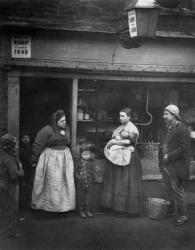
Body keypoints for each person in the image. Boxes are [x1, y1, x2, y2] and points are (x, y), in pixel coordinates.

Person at [31, 110, 76, 212]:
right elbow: (38, 145)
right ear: (55, 122)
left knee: (65, 182)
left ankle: (63, 207)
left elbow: (68, 141)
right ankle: (50, 208)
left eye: (65, 120)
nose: (64, 123)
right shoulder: (46, 130)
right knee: (52, 182)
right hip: (51, 158)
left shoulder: (67, 128)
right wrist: (34, 159)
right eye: (61, 121)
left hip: (64, 158)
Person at [101, 107, 143, 216]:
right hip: (118, 155)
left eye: (123, 116)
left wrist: (111, 143)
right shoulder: (121, 127)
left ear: (129, 117)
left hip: (128, 156)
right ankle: (117, 207)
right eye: (120, 116)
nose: (121, 118)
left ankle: (127, 209)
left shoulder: (132, 128)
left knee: (126, 181)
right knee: (118, 181)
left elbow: (128, 141)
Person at [158, 104, 190, 226]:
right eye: (164, 114)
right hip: (166, 165)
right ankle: (172, 210)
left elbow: (183, 149)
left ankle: (183, 215)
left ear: (174, 115)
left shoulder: (182, 129)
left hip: (176, 166)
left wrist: (169, 156)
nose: (164, 116)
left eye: (166, 114)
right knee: (167, 189)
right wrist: (162, 160)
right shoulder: (168, 128)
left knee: (178, 190)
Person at [0, 134, 24, 238]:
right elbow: (14, 174)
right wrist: (21, 172)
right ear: (12, 146)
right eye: (16, 144)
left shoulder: (3, 155)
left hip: (4, 184)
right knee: (11, 208)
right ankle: (10, 232)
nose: (17, 146)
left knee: (5, 208)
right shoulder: (9, 159)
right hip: (9, 185)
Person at [74, 147, 95, 219]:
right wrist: (77, 176)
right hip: (80, 181)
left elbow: (93, 171)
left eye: (87, 154)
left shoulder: (91, 162)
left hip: (88, 180)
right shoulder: (77, 162)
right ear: (80, 154)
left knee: (88, 195)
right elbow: (75, 171)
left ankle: (87, 210)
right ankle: (81, 210)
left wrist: (90, 175)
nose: (86, 156)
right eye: (84, 154)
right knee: (80, 195)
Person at [19, 133, 32, 208]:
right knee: (23, 185)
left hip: (29, 168)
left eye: (28, 137)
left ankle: (26, 201)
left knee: (28, 185)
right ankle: (22, 203)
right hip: (24, 167)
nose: (26, 139)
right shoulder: (21, 149)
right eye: (24, 137)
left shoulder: (30, 147)